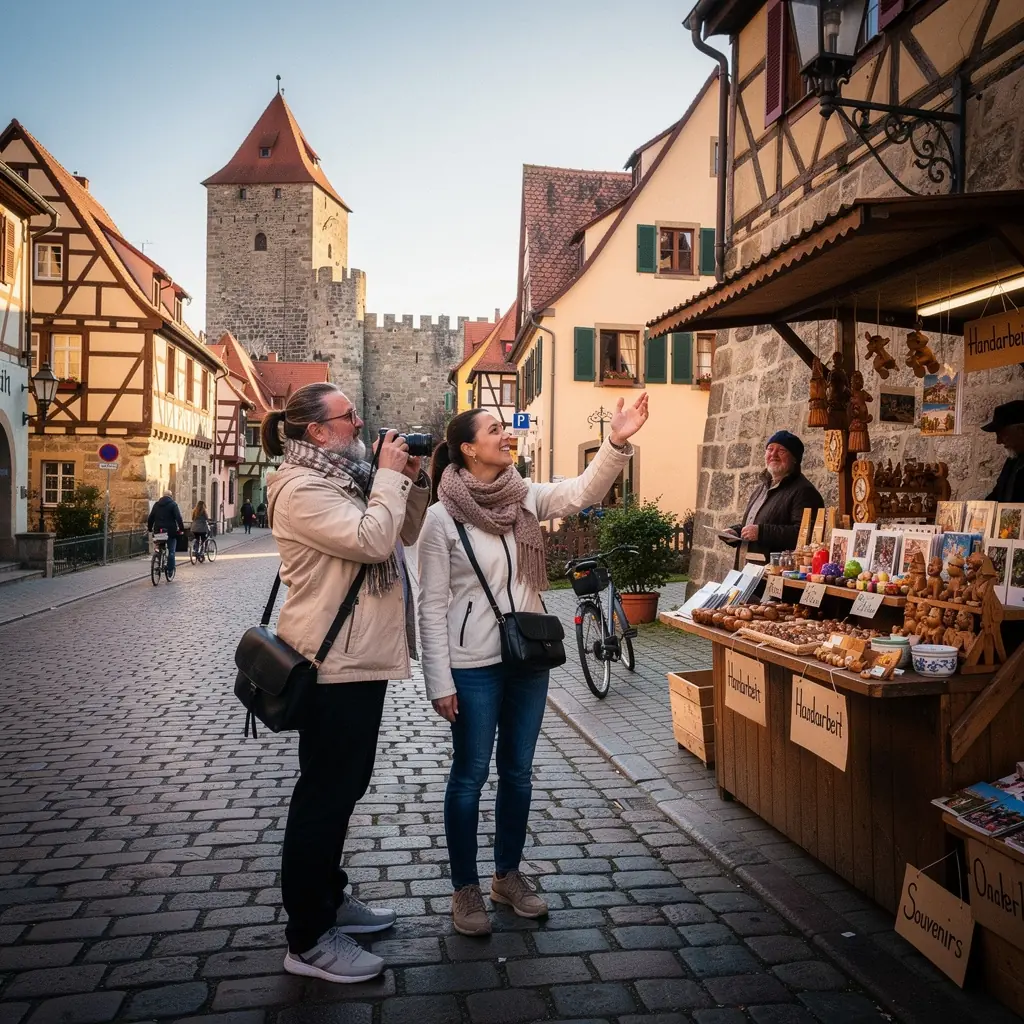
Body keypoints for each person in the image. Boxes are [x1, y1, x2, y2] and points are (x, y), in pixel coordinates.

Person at [417, 393, 649, 937]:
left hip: (529, 658)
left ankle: (507, 875)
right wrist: (438, 682)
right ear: (469, 448)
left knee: (518, 772)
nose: (507, 433)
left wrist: (616, 441)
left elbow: (581, 492)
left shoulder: (523, 498)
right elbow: (429, 607)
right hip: (471, 665)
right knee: (471, 775)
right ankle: (464, 889)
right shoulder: (439, 519)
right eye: (495, 428)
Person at [264, 381, 429, 984]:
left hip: (360, 657)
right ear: (317, 431)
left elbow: (403, 531)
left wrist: (407, 476)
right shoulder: (300, 488)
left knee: (345, 787)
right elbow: (371, 540)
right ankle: (307, 938)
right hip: (331, 663)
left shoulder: (347, 479)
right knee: (324, 797)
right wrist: (387, 477)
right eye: (348, 415)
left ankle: (330, 899)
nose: (360, 423)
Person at [719, 431, 824, 567]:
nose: (773, 455)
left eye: (781, 450)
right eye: (770, 449)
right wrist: (735, 533)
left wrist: (762, 532)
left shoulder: (804, 492)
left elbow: (806, 535)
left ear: (795, 459)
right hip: (747, 571)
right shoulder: (762, 488)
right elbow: (757, 524)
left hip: (775, 576)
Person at [983, 400, 1024, 503]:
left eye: (1001, 435)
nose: (998, 441)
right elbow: (997, 496)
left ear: (1021, 430)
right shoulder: (1013, 460)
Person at [147, 491, 184, 577]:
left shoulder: (156, 505)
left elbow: (151, 518)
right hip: (170, 532)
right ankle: (170, 570)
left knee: (159, 547)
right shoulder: (173, 505)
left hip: (158, 531)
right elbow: (178, 518)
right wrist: (181, 529)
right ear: (171, 496)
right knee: (171, 551)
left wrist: (150, 529)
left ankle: (158, 563)